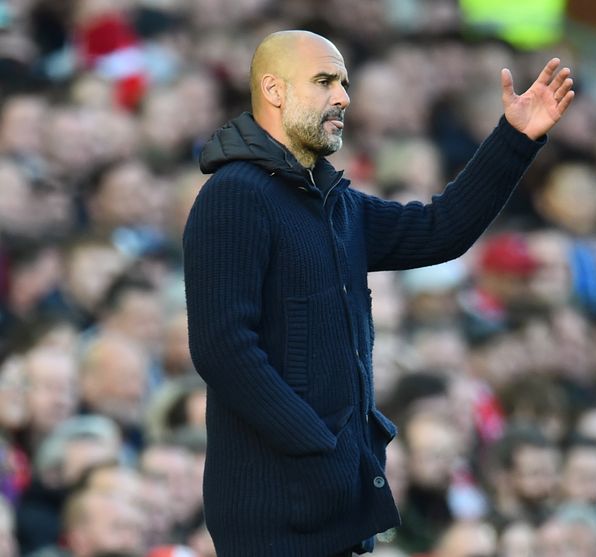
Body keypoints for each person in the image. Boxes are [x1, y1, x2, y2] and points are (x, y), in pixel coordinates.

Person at [183, 29, 573, 556]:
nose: (343, 97)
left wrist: (514, 138)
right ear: (273, 90)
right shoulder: (233, 196)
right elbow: (224, 348)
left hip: (338, 504)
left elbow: (441, 230)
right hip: (275, 512)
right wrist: (316, 445)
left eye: (344, 83)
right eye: (324, 81)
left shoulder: (336, 204)